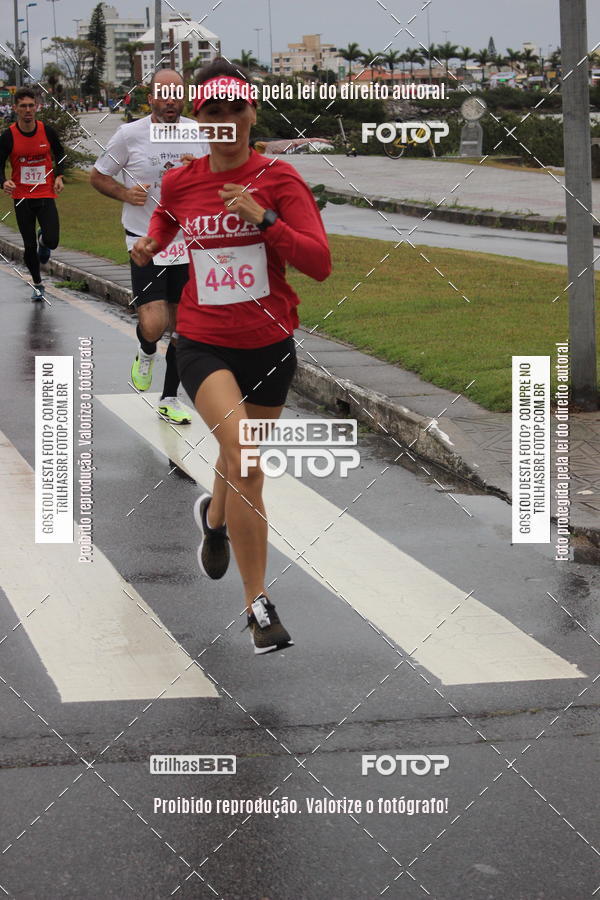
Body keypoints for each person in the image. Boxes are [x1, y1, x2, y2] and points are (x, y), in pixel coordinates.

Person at [132, 59, 332, 654]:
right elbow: (167, 217)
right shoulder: (183, 181)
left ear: (252, 114)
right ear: (200, 120)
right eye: (212, 111)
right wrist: (153, 241)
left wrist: (264, 219)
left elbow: (319, 263)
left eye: (234, 109)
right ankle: (258, 607)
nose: (224, 120)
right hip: (203, 339)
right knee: (245, 461)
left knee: (236, 454)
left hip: (269, 346)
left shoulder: (279, 178)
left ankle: (215, 521)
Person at [91, 69, 209, 425]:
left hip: (186, 242)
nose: (170, 101)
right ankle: (146, 351)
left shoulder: (197, 133)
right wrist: (125, 194)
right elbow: (98, 175)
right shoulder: (130, 135)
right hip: (145, 240)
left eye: (177, 94)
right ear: (151, 98)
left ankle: (170, 397)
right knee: (155, 324)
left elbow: (217, 178)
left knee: (183, 327)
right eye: (164, 94)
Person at [0, 87, 65, 301]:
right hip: (22, 197)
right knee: (28, 246)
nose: (28, 110)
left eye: (31, 106)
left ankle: (43, 241)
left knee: (52, 240)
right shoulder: (8, 136)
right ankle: (37, 284)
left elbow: (60, 153)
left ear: (36, 107)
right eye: (23, 106)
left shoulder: (47, 131)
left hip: (45, 193)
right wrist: (4, 182)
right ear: (15, 108)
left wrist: (59, 175)